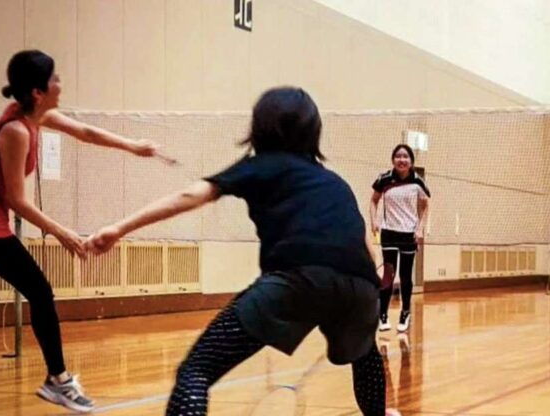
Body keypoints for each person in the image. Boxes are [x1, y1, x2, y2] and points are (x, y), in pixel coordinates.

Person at [86, 87, 398, 416]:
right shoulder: (334, 181)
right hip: (362, 288)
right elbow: (365, 242)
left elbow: (190, 196)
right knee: (365, 355)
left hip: (297, 280)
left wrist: (119, 228)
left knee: (196, 371)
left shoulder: (261, 164)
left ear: (260, 126)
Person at [0, 49, 160, 412]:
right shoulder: (15, 132)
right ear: (38, 92)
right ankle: (58, 381)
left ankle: (57, 379)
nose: (61, 83)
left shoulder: (36, 116)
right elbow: (17, 200)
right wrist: (63, 232)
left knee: (39, 291)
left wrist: (133, 147)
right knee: (41, 291)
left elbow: (86, 132)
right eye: (54, 78)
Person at [370, 144, 430, 332]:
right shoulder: (384, 179)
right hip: (389, 232)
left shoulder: (417, 182)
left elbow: (426, 204)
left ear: (411, 161)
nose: (402, 159)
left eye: (406, 156)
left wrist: (420, 228)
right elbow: (373, 200)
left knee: (405, 275)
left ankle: (405, 313)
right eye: (398, 156)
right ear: (393, 160)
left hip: (408, 234)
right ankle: (383, 315)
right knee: (388, 275)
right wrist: (373, 220)